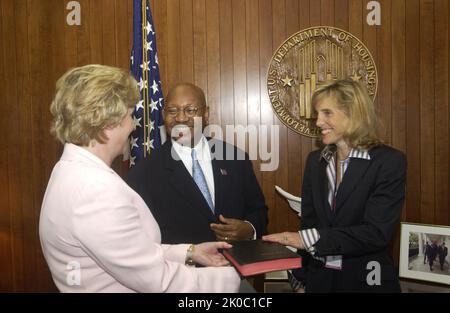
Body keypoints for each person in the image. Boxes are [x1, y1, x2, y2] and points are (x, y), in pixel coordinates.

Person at [39, 65, 240, 292]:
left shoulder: (70, 171)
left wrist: (189, 252)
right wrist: (232, 276)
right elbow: (159, 281)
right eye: (130, 115)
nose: (134, 126)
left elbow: (132, 254)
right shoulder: (95, 191)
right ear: (107, 123)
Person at [263, 80, 406, 293]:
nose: (318, 122)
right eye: (317, 114)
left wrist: (304, 239)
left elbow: (376, 233)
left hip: (367, 281)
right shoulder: (315, 161)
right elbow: (309, 222)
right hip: (320, 281)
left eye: (327, 113)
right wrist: (300, 280)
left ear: (354, 113)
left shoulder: (388, 162)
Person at [126, 83, 268, 244]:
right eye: (172, 111)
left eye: (190, 110)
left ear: (206, 113)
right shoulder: (144, 173)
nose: (180, 118)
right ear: (164, 115)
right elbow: (141, 237)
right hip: (183, 267)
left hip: (238, 263)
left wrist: (250, 229)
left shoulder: (235, 158)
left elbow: (258, 211)